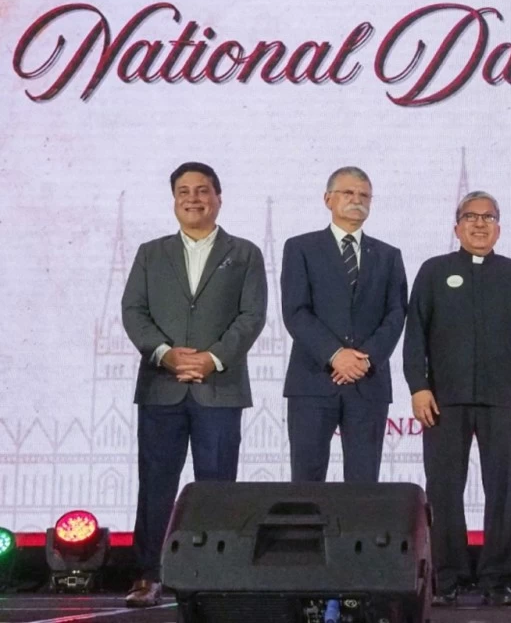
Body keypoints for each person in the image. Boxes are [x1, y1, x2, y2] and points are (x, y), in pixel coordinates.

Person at [120, 162, 267, 607]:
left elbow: (252, 316)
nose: (193, 198)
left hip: (218, 388)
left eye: (202, 190)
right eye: (183, 191)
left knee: (218, 487)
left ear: (218, 198)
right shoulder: (150, 252)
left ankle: (216, 575)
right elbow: (133, 311)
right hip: (161, 386)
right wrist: (165, 354)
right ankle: (149, 575)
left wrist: (212, 358)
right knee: (156, 483)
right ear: (174, 201)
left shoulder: (244, 253)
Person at [403, 191, 511, 607]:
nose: (480, 224)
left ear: (499, 227)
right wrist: (418, 386)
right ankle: (447, 577)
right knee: (444, 488)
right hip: (443, 401)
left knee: (503, 488)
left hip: (502, 401)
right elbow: (415, 337)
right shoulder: (433, 271)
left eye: (489, 218)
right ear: (456, 226)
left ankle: (498, 576)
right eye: (471, 217)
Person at [281, 166, 408, 483]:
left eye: (364, 195)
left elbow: (396, 314)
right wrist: (336, 354)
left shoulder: (388, 255)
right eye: (348, 193)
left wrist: (364, 359)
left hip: (368, 383)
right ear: (328, 199)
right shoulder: (301, 248)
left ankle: (359, 536)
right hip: (312, 382)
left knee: (364, 484)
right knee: (306, 481)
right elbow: (296, 311)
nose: (357, 200)